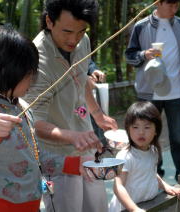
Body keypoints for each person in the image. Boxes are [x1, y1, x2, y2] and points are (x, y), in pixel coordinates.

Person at [0, 26, 86, 212]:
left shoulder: (20, 106)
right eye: (30, 74)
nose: (34, 80)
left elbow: (34, 157)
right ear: (9, 71)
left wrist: (76, 165)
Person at [23, 0, 118, 211]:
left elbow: (81, 78)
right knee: (67, 206)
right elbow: (32, 122)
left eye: (81, 31)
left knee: (97, 205)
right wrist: (71, 136)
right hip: (55, 155)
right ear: (49, 21)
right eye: (67, 31)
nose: (74, 39)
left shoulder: (82, 40)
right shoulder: (37, 60)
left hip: (85, 142)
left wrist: (98, 115)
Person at [125, 0, 180, 180]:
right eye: (171, 5)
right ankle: (153, 178)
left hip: (176, 92)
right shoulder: (141, 26)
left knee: (179, 138)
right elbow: (130, 56)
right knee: (148, 138)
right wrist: (144, 55)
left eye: (177, 5)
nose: (175, 9)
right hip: (148, 94)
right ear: (158, 3)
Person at [109, 102, 180, 212]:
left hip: (146, 205)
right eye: (135, 127)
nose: (141, 132)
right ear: (128, 129)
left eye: (147, 127)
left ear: (156, 130)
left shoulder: (153, 150)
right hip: (125, 208)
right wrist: (133, 209)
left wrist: (166, 186)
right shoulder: (125, 156)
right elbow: (118, 187)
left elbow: (151, 173)